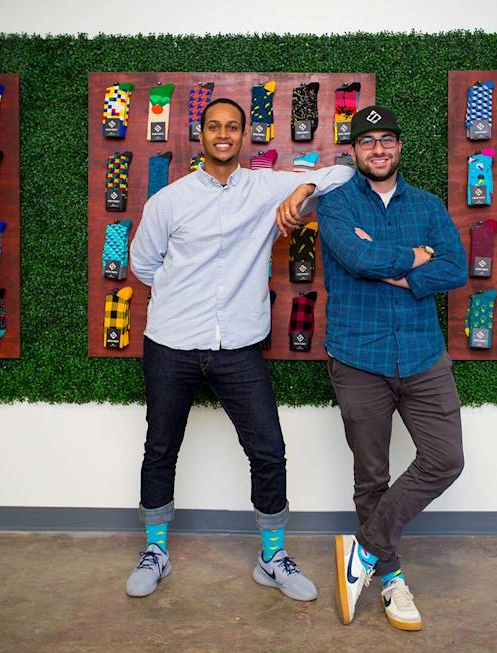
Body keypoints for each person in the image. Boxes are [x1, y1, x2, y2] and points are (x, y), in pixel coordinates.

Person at [126, 98, 353, 601]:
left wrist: (304, 188)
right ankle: (155, 551)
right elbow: (143, 265)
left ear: (244, 135)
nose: (223, 134)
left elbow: (343, 173)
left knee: (268, 449)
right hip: (172, 342)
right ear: (201, 134)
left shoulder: (265, 187)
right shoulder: (169, 201)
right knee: (160, 447)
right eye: (214, 126)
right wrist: (184, 294)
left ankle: (272, 557)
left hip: (239, 345)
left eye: (232, 126)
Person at [278, 105, 467, 630]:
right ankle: (390, 577)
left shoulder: (427, 205)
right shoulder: (336, 204)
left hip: (423, 356)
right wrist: (418, 256)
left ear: (399, 146)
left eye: (386, 140)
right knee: (372, 475)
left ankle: (362, 550)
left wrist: (394, 264)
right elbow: (356, 261)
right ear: (354, 150)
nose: (378, 149)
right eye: (367, 141)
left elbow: (455, 268)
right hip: (359, 357)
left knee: (445, 459)